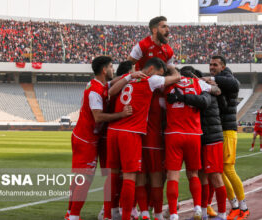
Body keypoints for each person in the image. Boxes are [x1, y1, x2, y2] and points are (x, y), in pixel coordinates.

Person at [106, 57, 180, 220]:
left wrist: (129, 76)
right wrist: (171, 67)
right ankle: (128, 215)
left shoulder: (129, 80)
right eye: (160, 74)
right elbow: (176, 78)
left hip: (113, 130)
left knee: (112, 174)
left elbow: (110, 92)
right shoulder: (151, 79)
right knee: (129, 177)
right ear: (152, 69)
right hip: (131, 132)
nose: (161, 79)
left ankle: (109, 213)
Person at [65, 56, 133, 220]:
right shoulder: (95, 92)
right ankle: (74, 215)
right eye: (110, 67)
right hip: (86, 139)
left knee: (80, 177)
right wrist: (121, 114)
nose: (112, 69)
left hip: (84, 136)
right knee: (85, 177)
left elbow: (112, 82)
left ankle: (70, 212)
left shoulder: (97, 84)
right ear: (104, 70)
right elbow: (98, 117)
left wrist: (130, 76)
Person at [127, 16, 175, 220]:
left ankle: (151, 208)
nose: (168, 30)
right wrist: (134, 81)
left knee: (157, 168)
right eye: (164, 27)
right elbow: (129, 64)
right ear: (154, 29)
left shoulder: (168, 50)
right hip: (143, 98)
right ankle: (139, 209)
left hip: (160, 101)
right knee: (142, 168)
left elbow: (172, 70)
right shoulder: (142, 45)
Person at [168, 67, 228, 220]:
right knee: (201, 176)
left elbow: (205, 101)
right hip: (198, 136)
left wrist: (183, 97)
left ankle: (222, 214)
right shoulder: (200, 87)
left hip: (210, 137)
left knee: (214, 176)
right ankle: (202, 211)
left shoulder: (204, 90)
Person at [202, 55, 249, 220]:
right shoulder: (219, 81)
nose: (211, 67)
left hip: (228, 130)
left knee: (228, 169)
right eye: (210, 64)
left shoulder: (228, 78)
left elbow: (234, 83)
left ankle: (243, 207)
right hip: (221, 130)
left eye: (215, 64)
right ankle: (235, 205)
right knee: (220, 172)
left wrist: (213, 80)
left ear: (223, 66)